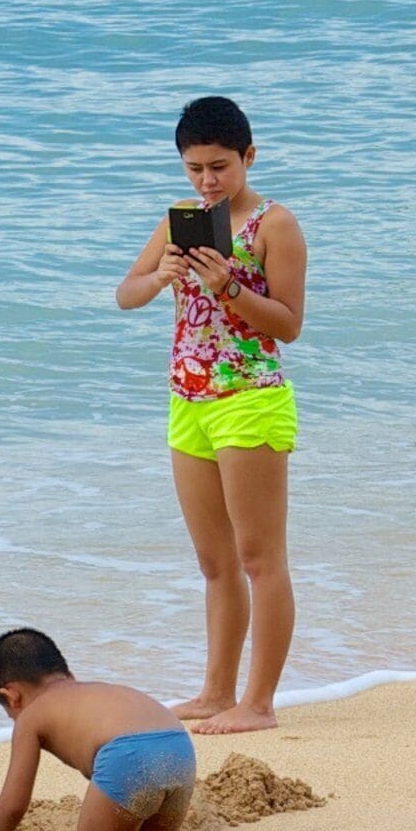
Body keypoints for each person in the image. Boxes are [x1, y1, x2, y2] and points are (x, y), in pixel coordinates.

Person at [115, 94, 307, 734]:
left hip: (250, 399)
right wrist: (162, 275)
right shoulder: (182, 220)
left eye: (220, 166)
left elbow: (288, 324)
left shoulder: (274, 226)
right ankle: (216, 691)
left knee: (260, 558)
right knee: (214, 562)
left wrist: (229, 285)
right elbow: (126, 293)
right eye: (195, 168)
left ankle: (259, 703)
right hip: (188, 401)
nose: (207, 181)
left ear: (249, 157)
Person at [0, 627, 198, 831]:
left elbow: (14, 802)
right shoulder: (96, 691)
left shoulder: (31, 716)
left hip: (128, 760)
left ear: (11, 696)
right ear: (69, 675)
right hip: (180, 749)